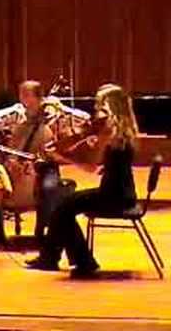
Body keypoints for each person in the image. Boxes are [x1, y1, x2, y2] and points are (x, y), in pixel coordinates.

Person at [26, 84, 139, 277]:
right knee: (64, 206)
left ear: (111, 107)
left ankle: (70, 260)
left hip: (114, 196)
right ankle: (63, 259)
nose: (97, 111)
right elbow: (110, 163)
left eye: (101, 106)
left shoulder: (112, 134)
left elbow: (90, 167)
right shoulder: (122, 133)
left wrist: (62, 157)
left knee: (63, 206)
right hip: (120, 192)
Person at [0, 80, 90, 245]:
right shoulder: (18, 112)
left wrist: (64, 117)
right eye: (21, 94)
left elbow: (86, 119)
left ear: (39, 97)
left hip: (46, 165)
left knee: (49, 188)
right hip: (15, 164)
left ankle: (42, 231)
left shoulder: (55, 113)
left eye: (26, 95)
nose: (22, 99)